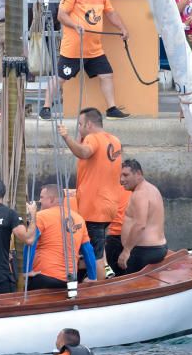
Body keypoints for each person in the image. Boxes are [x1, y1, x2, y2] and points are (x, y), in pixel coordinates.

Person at [40, 0, 131, 120]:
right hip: (73, 50)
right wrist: (75, 26)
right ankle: (45, 107)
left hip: (95, 49)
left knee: (107, 75)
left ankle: (111, 108)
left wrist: (122, 28)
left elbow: (110, 13)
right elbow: (61, 15)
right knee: (60, 77)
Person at [56, 107, 123, 280]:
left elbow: (84, 152)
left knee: (96, 257)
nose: (78, 128)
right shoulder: (114, 140)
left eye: (80, 124)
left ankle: (99, 291)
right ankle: (93, 280)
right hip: (109, 207)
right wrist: (79, 137)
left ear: (89, 124)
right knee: (94, 251)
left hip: (94, 208)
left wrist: (66, 137)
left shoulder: (93, 138)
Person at [25, 184, 95, 290]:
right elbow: (88, 250)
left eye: (42, 197)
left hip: (44, 277)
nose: (39, 201)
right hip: (70, 281)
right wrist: (92, 277)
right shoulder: (79, 218)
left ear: (52, 199)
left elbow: (30, 243)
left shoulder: (40, 216)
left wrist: (27, 271)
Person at [118, 159, 168, 275]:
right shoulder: (153, 189)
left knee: (131, 289)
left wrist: (126, 251)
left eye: (126, 175)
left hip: (143, 251)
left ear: (139, 174)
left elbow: (140, 225)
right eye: (120, 176)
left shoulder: (139, 194)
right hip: (158, 248)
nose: (121, 180)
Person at [104, 185, 131, 278]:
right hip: (130, 235)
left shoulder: (108, 188)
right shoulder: (131, 188)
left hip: (114, 235)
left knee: (113, 273)